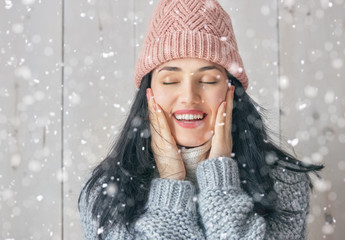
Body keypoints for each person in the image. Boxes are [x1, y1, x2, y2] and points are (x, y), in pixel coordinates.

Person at [78, 0, 323, 239]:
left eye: (208, 81)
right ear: (147, 94)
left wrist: (220, 180)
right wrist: (171, 183)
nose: (189, 97)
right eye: (170, 81)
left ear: (231, 90)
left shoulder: (283, 182)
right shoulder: (106, 194)